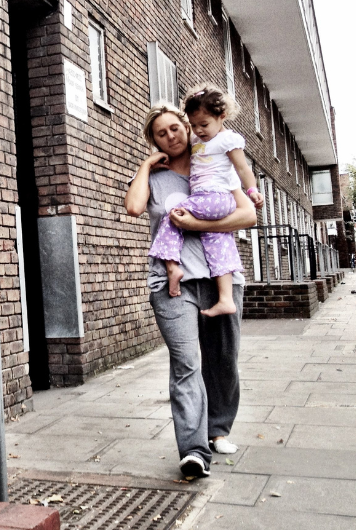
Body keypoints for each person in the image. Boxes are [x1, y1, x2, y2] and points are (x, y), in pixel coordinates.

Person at [125, 103, 257, 479]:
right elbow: (134, 207)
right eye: (161, 133)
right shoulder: (156, 176)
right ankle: (194, 450)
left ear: (187, 127)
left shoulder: (213, 160)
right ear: (154, 141)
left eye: (175, 128)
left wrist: (195, 222)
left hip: (221, 279)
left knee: (224, 361)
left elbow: (247, 215)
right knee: (186, 364)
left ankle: (218, 429)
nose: (171, 136)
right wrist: (147, 166)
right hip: (172, 286)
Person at [147, 84, 264, 318]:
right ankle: (226, 299)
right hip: (211, 200)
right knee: (219, 241)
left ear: (222, 117)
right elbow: (177, 137)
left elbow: (243, 169)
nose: (199, 131)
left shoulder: (226, 139)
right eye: (194, 125)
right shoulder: (198, 139)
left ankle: (171, 268)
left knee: (174, 216)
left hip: (214, 197)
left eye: (204, 125)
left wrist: (252, 191)